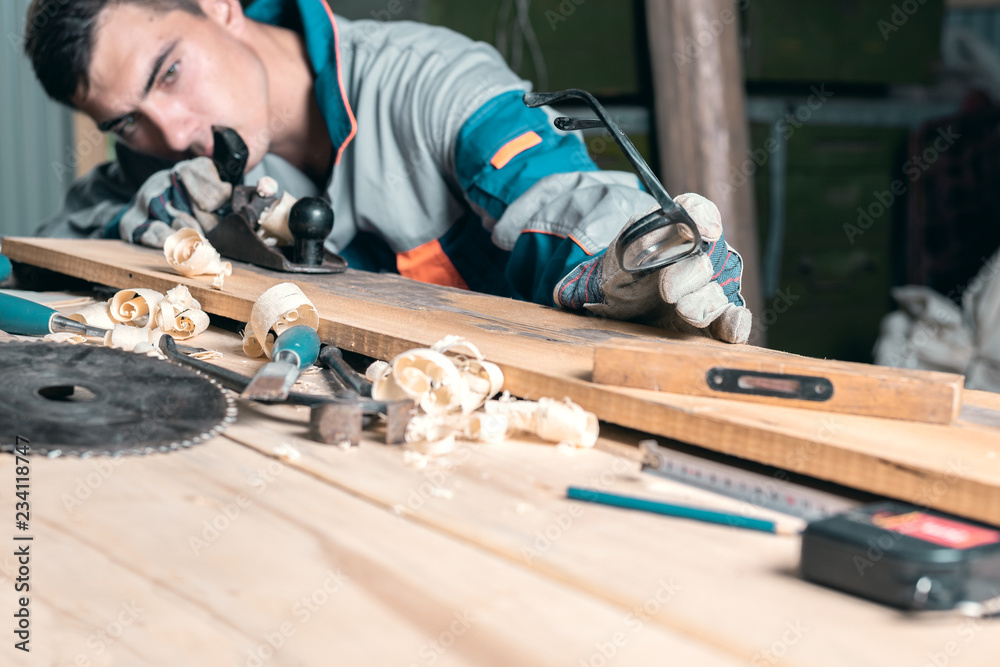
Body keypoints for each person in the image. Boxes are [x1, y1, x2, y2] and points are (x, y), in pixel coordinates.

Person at [24, 0, 752, 343]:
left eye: (170, 72)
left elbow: (555, 196)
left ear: (219, 6)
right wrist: (138, 221)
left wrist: (629, 260)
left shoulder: (431, 83)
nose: (173, 133)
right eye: (125, 121)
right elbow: (38, 259)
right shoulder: (158, 160)